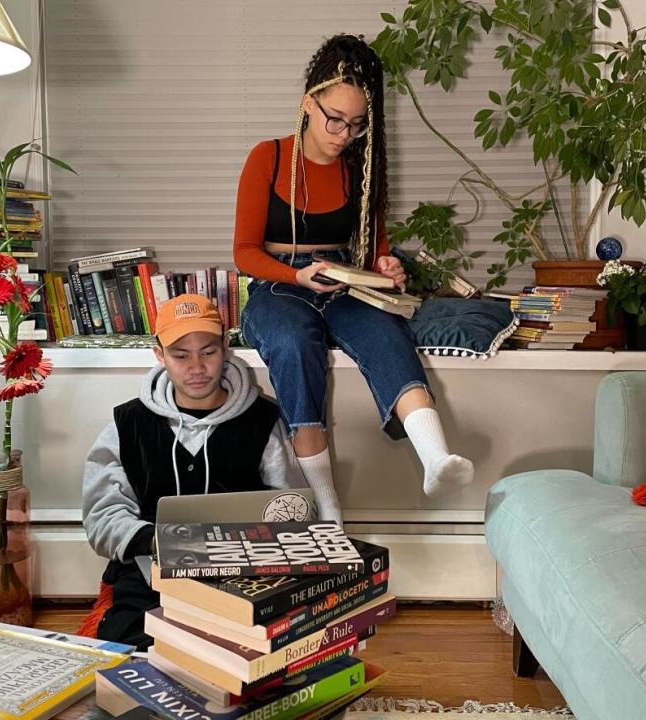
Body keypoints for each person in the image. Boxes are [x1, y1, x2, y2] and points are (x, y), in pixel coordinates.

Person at [233, 34, 474, 522]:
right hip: (280, 284)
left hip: (345, 280)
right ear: (308, 103)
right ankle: (327, 508)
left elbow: (376, 250)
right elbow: (244, 254)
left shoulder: (358, 172)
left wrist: (386, 266)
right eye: (335, 119)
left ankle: (435, 459)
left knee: (386, 333)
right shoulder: (269, 157)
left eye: (357, 125)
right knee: (294, 343)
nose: (345, 134)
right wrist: (299, 276)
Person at [81, 294, 303, 648]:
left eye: (208, 352)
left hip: (239, 575)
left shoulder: (263, 421)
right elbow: (101, 517)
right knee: (128, 642)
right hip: (148, 572)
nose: (196, 367)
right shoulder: (127, 424)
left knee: (264, 645)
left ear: (226, 346)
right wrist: (156, 542)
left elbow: (289, 509)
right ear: (159, 354)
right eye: (180, 355)